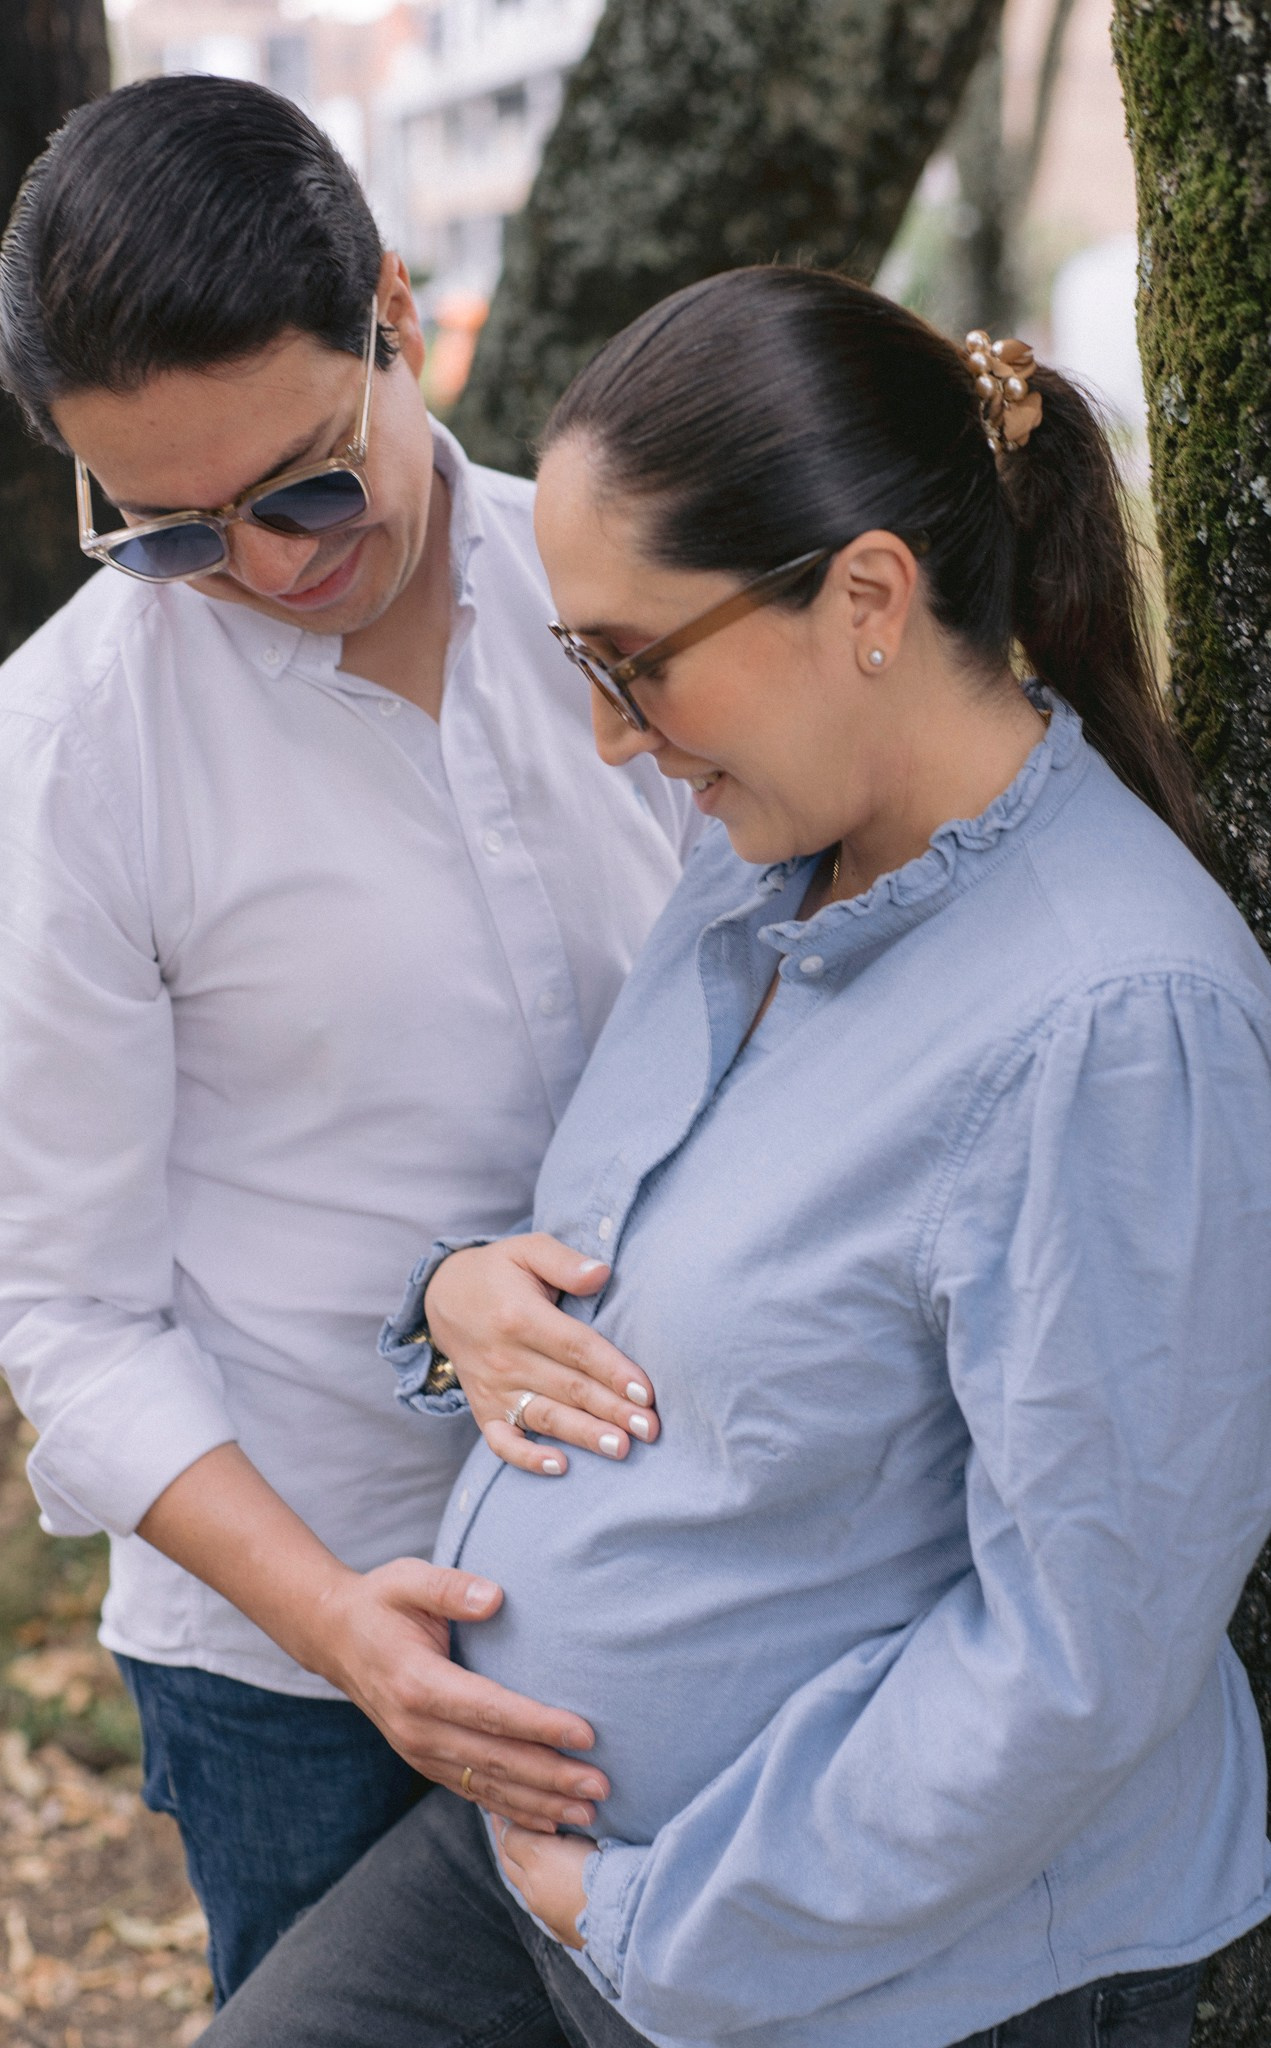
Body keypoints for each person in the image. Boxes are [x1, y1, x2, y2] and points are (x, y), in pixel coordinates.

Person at [200, 267, 1271, 2048]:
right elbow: (709, 1279)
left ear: (867, 597)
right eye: (580, 664)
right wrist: (457, 1292)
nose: (614, 736)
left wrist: (657, 1916)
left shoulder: (1118, 1024)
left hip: (854, 1958)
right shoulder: (763, 863)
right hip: (551, 1862)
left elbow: (1083, 1664)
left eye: (638, 664)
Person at [0, 74, 697, 2005]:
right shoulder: (52, 770)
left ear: (400, 316)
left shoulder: (635, 598)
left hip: (699, 1548)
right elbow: (60, 1311)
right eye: (168, 533)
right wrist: (348, 1629)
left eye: (309, 485)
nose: (269, 566)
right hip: (300, 1660)